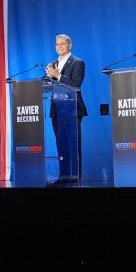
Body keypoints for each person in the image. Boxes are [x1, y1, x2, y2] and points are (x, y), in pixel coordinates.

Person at [46, 34, 87, 183]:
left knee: (72, 144)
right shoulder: (52, 64)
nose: (59, 46)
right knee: (61, 144)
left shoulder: (78, 62)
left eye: (62, 43)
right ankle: (63, 177)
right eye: (57, 44)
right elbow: (49, 85)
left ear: (70, 45)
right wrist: (48, 77)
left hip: (72, 109)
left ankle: (75, 178)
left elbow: (76, 85)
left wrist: (57, 75)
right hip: (57, 109)